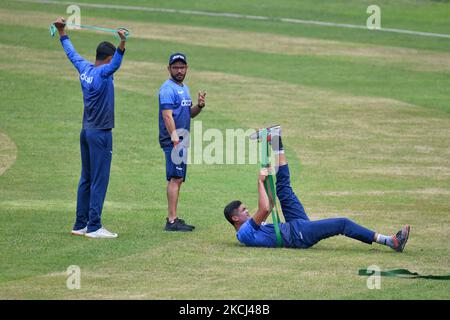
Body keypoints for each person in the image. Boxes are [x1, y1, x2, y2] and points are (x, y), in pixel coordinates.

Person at [224, 126, 410, 252]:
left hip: (293, 225)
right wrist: (259, 182)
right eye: (243, 210)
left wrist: (266, 180)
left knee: (284, 190)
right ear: (235, 218)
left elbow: (270, 204)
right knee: (342, 223)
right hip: (298, 235)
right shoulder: (244, 234)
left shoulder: (249, 228)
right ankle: (390, 241)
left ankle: (276, 140)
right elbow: (264, 209)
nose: (247, 211)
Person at [53, 17, 127, 238]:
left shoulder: (84, 68)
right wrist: (123, 43)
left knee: (86, 178)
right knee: (99, 179)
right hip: (100, 134)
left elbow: (71, 53)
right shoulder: (104, 73)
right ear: (107, 58)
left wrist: (62, 31)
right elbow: (116, 65)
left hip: (86, 131)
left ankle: (79, 224)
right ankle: (94, 226)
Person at [158, 53, 206, 232]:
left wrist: (199, 106)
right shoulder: (167, 89)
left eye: (182, 67)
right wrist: (174, 137)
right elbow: (166, 115)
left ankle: (174, 218)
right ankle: (171, 221)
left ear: (187, 68)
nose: (179, 70)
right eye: (176, 67)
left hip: (181, 139)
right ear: (169, 69)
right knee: (175, 178)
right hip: (174, 140)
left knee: (178, 179)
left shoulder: (184, 88)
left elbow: (189, 114)